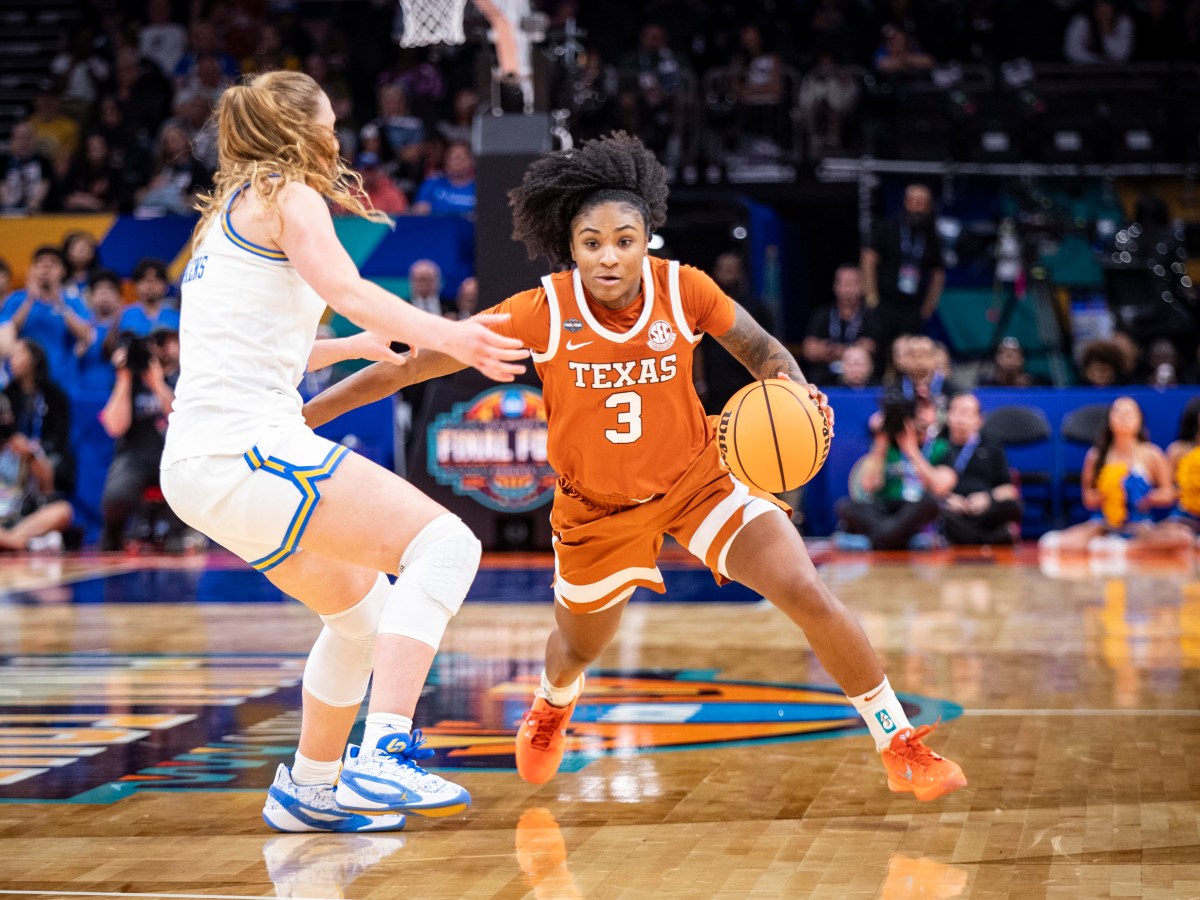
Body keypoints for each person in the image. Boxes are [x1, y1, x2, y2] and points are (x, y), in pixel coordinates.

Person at [304, 133, 967, 802]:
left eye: (624, 239)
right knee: (580, 649)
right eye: (592, 242)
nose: (609, 255)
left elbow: (767, 354)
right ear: (573, 248)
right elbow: (414, 363)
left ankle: (899, 743)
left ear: (646, 239)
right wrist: (307, 418)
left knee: (805, 589)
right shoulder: (543, 310)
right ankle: (551, 706)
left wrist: (796, 391)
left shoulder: (685, 291)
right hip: (597, 510)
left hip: (697, 482)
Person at [157, 70, 526, 832]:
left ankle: (310, 789)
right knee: (447, 544)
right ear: (297, 129)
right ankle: (383, 755)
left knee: (363, 616)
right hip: (243, 450)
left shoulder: (227, 212)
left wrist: (351, 346)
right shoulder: (288, 193)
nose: (338, 133)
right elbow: (352, 286)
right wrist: (449, 333)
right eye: (329, 118)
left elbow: (257, 347)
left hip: (205, 461)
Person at [1038, 396, 1193, 555]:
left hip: (1140, 525)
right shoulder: (1096, 455)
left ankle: (1125, 549)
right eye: (1118, 412)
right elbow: (1088, 499)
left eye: (1129, 413)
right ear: (1109, 419)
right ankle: (1106, 544)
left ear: (1140, 420)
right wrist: (1109, 494)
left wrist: (1146, 497)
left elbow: (1168, 494)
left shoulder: (1152, 454)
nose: (1124, 417)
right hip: (1103, 523)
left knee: (1183, 538)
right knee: (1051, 543)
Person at [834, 389, 955, 551]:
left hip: (912, 510)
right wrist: (880, 445)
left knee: (931, 503)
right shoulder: (886, 446)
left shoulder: (940, 446)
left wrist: (911, 450)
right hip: (884, 507)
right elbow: (868, 486)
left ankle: (876, 540)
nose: (919, 415)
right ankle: (900, 539)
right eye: (915, 410)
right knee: (844, 506)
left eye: (924, 408)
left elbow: (939, 487)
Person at [98, 325, 181, 550]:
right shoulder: (126, 382)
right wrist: (124, 379)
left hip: (172, 456)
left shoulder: (178, 379)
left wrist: (156, 383)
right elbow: (115, 427)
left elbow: (179, 417)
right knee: (115, 497)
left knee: (187, 485)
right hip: (134, 456)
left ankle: (179, 534)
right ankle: (113, 534)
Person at [860, 183, 945, 353]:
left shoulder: (932, 236)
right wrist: (871, 295)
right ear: (906, 202)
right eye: (915, 201)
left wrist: (929, 305)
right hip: (885, 302)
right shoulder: (887, 227)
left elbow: (938, 273)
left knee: (910, 351)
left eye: (923, 202)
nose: (918, 207)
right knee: (880, 348)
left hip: (913, 306)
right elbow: (868, 259)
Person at [931, 394, 1022, 546]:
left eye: (966, 413)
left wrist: (988, 498)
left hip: (983, 510)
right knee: (933, 509)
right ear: (947, 416)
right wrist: (947, 498)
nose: (960, 418)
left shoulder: (992, 445)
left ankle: (965, 538)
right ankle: (990, 538)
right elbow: (925, 485)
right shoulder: (937, 446)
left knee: (1013, 506)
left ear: (979, 420)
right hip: (951, 508)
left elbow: (1009, 489)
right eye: (955, 411)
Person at [0, 246, 93, 386]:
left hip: (63, 379)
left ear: (63, 271)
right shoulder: (16, 300)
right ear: (32, 270)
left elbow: (86, 336)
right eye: (40, 264)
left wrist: (60, 303)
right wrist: (30, 300)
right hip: (25, 379)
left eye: (52, 265)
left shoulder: (73, 301)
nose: (46, 269)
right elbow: (8, 334)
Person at [695, 251, 773, 415]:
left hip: (748, 382)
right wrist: (700, 381)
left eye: (732, 269)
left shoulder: (756, 307)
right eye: (724, 269)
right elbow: (697, 347)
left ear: (740, 273)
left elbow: (768, 346)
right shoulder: (705, 305)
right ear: (715, 272)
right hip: (715, 383)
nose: (728, 274)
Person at [0, 392, 73, 552]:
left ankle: (10, 542)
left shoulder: (22, 446)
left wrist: (32, 457)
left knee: (63, 510)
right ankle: (27, 545)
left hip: (18, 521)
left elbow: (48, 491)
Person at [3, 339, 76, 499]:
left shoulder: (55, 396)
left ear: (34, 359)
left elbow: (59, 437)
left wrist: (35, 449)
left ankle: (44, 506)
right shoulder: (7, 395)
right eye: (12, 356)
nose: (12, 360)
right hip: (12, 453)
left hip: (45, 452)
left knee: (42, 464)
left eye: (18, 355)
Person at [802, 264, 877, 387]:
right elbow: (810, 349)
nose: (848, 289)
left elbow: (868, 348)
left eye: (853, 284)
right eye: (844, 284)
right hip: (825, 379)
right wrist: (852, 351)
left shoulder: (871, 316)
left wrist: (830, 349)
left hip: (862, 381)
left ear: (862, 286)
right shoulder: (822, 314)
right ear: (835, 286)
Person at [117, 258, 180, 337]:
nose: (150, 285)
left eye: (156, 279)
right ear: (135, 286)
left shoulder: (177, 316)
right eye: (144, 279)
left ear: (165, 286)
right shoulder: (124, 316)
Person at [411, 142, 476, 217]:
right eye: (450, 158)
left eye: (459, 158)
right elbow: (419, 213)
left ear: (471, 161)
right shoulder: (431, 184)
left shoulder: (480, 188)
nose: (455, 162)